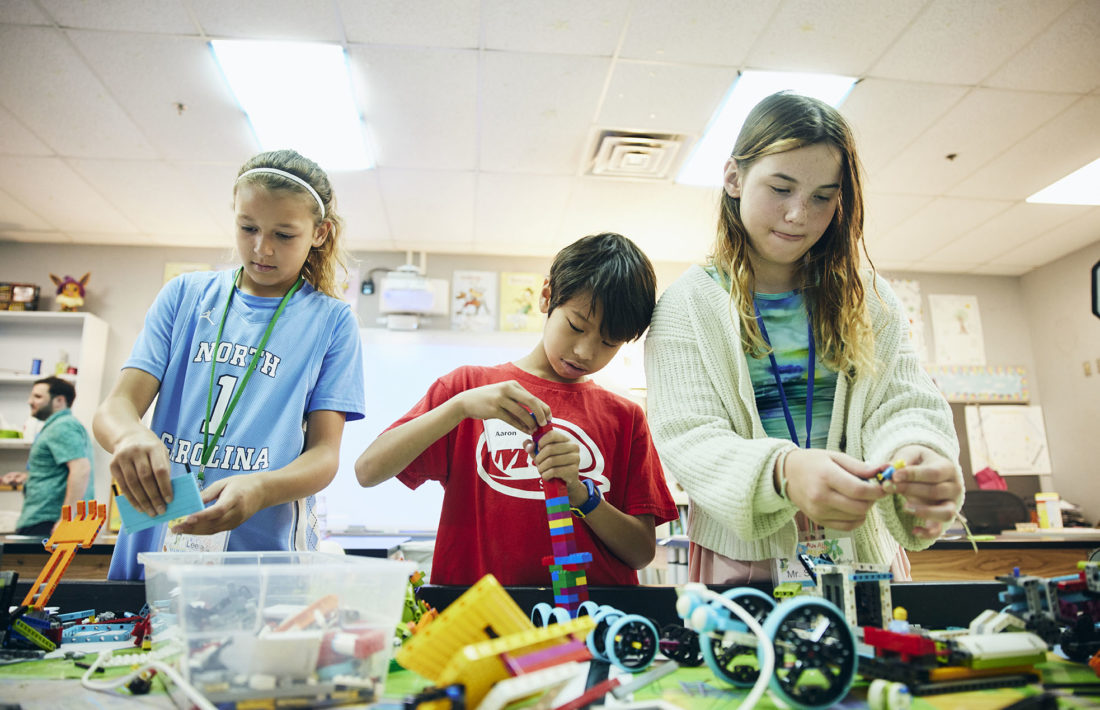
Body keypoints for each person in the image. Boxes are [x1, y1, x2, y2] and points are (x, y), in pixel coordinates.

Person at [643, 92, 964, 584]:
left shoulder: (869, 299)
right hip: (743, 563)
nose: (799, 214)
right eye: (781, 187)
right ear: (733, 178)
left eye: (822, 196)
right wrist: (784, 472)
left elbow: (902, 401)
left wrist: (914, 450)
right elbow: (689, 438)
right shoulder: (688, 304)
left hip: (863, 556)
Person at [94, 149, 365, 580]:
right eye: (248, 228)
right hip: (157, 535)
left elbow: (323, 456)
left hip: (261, 557)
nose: (262, 248)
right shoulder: (184, 295)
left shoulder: (331, 322)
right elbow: (115, 407)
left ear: (319, 233)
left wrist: (260, 488)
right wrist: (129, 437)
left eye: (284, 234)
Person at [355, 233, 679, 586]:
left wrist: (581, 493)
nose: (586, 352)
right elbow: (368, 471)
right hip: (475, 621)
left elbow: (642, 551)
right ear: (546, 297)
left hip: (587, 624)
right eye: (576, 326)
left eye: (608, 343)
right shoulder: (469, 389)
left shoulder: (625, 417)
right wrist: (459, 408)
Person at [2, 377, 95, 537]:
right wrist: (28, 477)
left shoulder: (62, 426)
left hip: (47, 523)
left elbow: (81, 469)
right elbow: (62, 472)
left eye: (38, 397)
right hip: (46, 521)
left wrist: (67, 519)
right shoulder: (59, 426)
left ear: (59, 400)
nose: (30, 401)